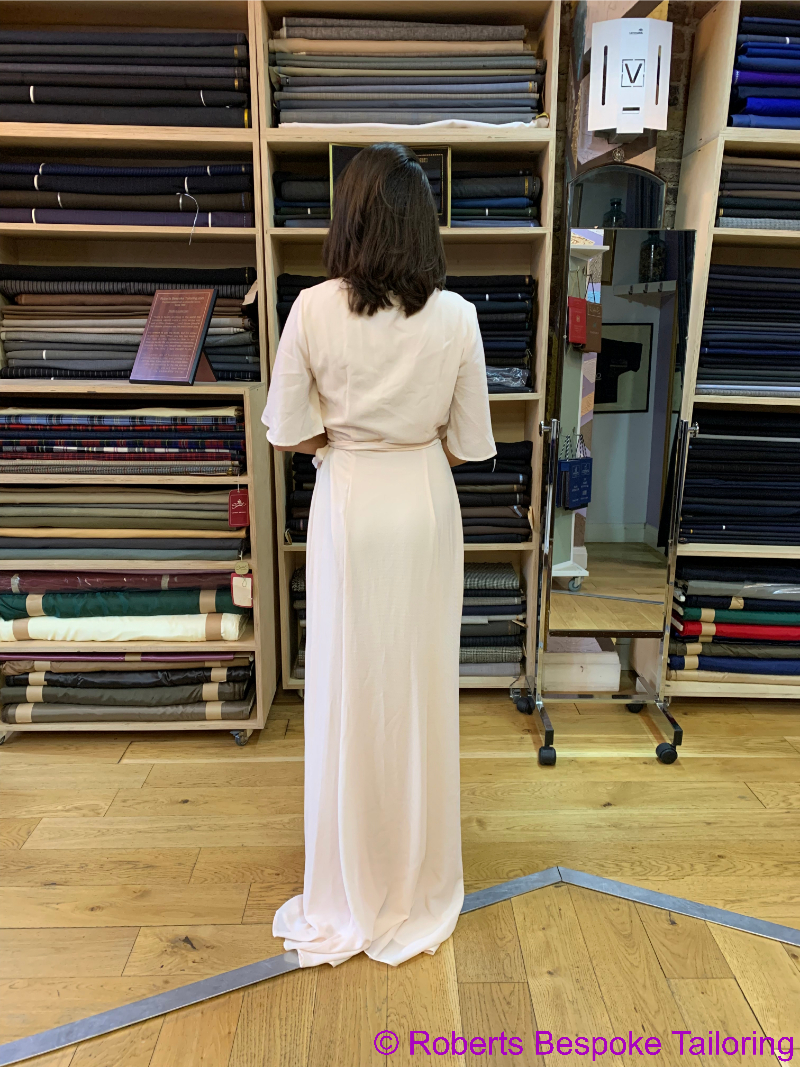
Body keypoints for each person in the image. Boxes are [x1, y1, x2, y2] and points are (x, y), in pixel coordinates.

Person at [262, 142, 495, 968]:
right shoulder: (458, 316)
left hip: (350, 502)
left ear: (350, 215)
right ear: (424, 223)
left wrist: (349, 440)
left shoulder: (312, 309)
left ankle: (349, 871)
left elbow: (288, 430)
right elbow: (468, 441)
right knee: (419, 686)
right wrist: (407, 440)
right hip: (423, 504)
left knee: (346, 684)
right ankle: (415, 867)